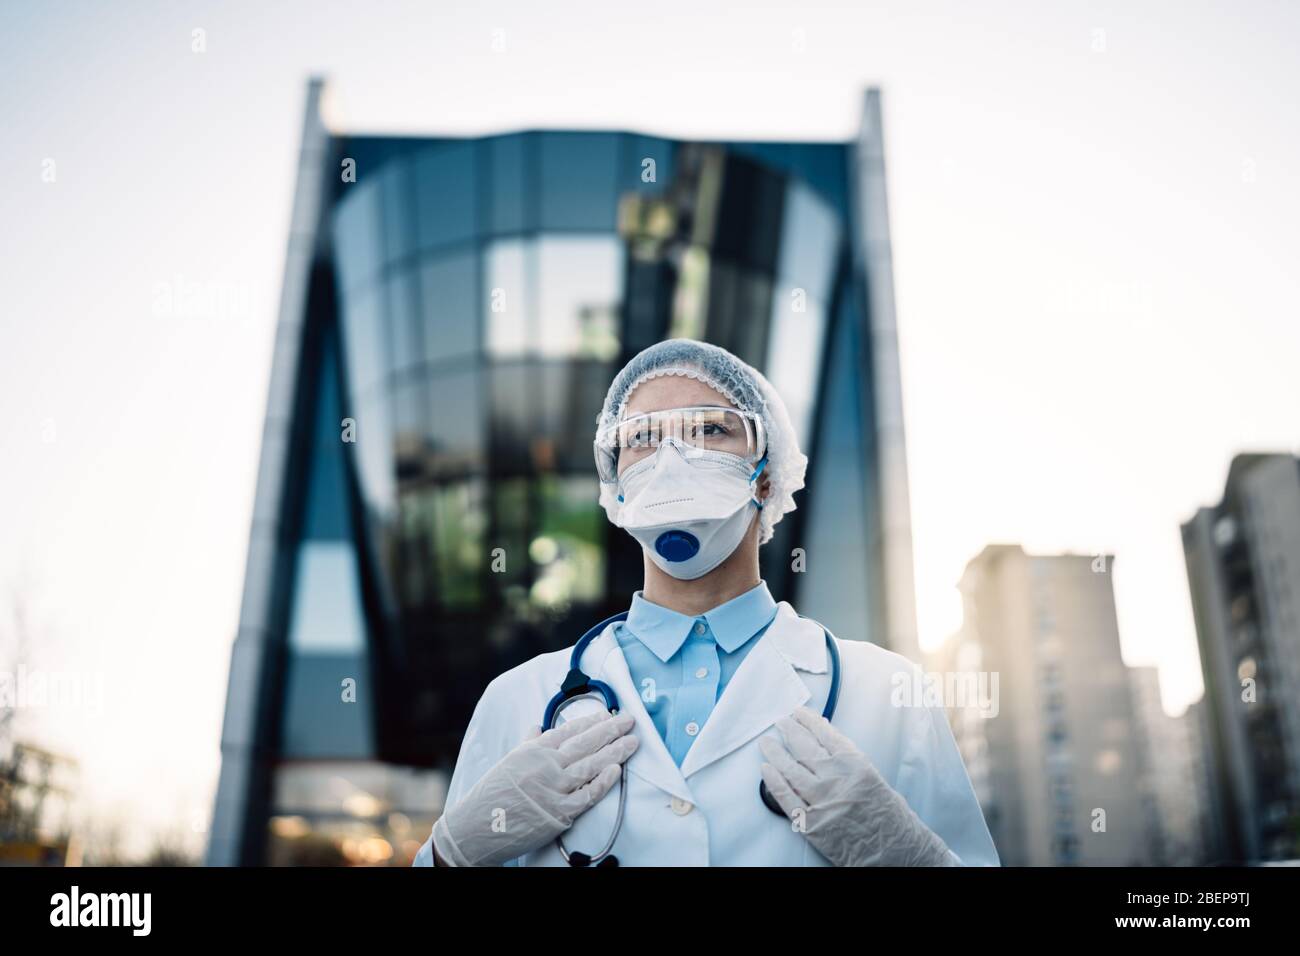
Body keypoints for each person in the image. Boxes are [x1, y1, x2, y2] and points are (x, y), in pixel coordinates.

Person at [413, 339, 998, 867]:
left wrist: (907, 860)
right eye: (642, 437)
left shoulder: (889, 694)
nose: (673, 458)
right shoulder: (519, 700)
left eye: (710, 430)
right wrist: (450, 854)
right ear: (614, 487)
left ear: (767, 476)